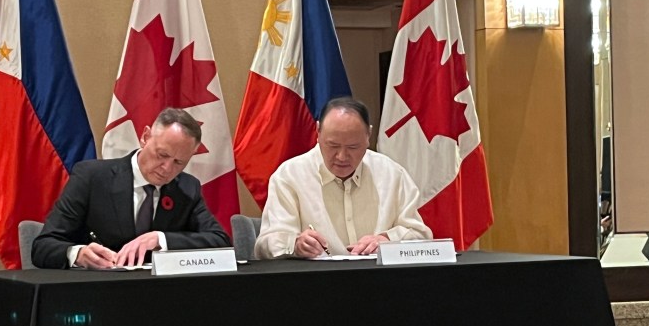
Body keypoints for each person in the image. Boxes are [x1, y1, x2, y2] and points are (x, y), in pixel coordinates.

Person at [32, 108, 231, 269]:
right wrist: (77, 254)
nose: (167, 168)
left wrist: (160, 238)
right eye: (162, 155)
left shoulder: (187, 187)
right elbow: (43, 247)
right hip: (99, 293)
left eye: (179, 162)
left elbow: (220, 241)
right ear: (145, 137)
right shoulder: (92, 178)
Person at [255, 97, 432, 259]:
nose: (341, 156)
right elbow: (265, 245)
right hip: (317, 284)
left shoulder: (392, 174)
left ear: (368, 136)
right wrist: (295, 244)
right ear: (318, 132)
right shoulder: (289, 176)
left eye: (353, 147)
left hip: (380, 282)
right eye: (333, 145)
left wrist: (387, 240)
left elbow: (421, 235)